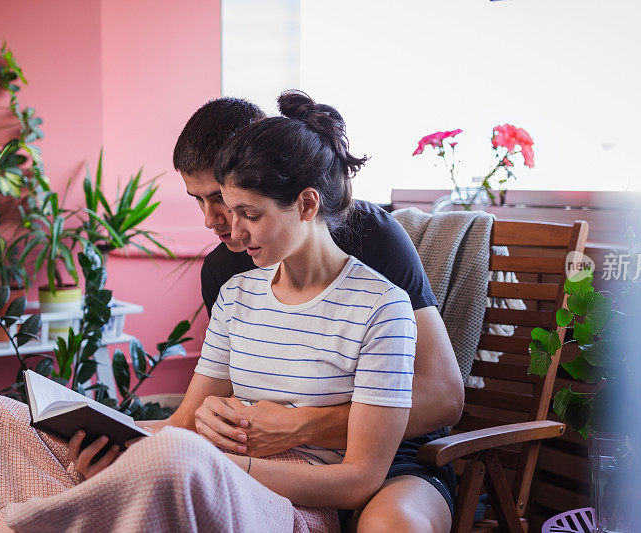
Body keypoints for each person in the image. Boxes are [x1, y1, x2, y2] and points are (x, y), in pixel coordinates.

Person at [172, 95, 464, 532]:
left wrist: (299, 425)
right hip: (275, 459)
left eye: (229, 201)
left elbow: (444, 397)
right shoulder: (228, 276)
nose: (218, 222)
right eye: (202, 201)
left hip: (397, 452)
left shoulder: (374, 245)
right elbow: (220, 394)